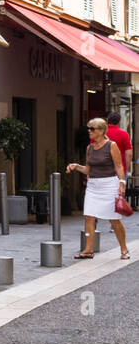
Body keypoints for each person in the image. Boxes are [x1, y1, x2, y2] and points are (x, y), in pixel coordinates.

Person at [66, 119, 130, 260]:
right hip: (93, 186)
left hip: (109, 185)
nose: (89, 131)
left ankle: (124, 249)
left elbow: (119, 166)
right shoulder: (89, 148)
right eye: (88, 128)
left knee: (113, 219)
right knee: (89, 216)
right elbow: (88, 169)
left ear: (101, 131)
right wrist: (76, 166)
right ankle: (88, 250)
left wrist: (121, 184)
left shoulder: (111, 146)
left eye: (92, 128)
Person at [105, 111, 133, 181]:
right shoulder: (124, 134)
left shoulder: (99, 134)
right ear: (119, 121)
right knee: (119, 191)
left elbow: (90, 151)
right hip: (119, 172)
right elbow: (129, 154)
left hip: (101, 172)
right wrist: (126, 168)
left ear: (107, 120)